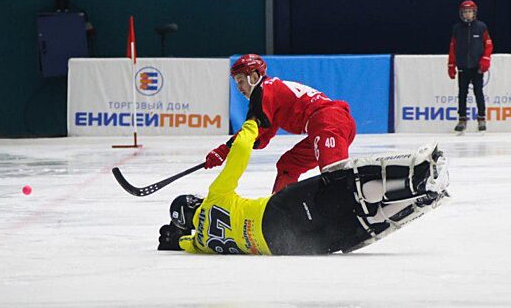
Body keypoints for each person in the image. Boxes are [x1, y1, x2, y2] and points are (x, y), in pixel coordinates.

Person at [157, 119, 450, 255]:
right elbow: (239, 157)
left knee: (358, 220)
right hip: (277, 214)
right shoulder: (213, 199)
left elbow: (180, 243)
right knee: (344, 186)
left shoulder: (200, 244)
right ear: (193, 203)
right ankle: (418, 177)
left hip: (286, 246)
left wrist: (176, 238)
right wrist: (250, 127)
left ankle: (423, 197)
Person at [204, 54, 356, 194]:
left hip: (327, 122)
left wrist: (223, 151)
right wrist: (236, 148)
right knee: (288, 165)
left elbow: (250, 131)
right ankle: (281, 210)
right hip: (327, 123)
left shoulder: (263, 91)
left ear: (254, 76)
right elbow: (260, 136)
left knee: (335, 175)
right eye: (237, 83)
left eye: (241, 81)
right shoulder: (271, 93)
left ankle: (353, 214)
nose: (239, 88)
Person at [448, 0, 493, 133]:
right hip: (463, 66)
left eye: (470, 11)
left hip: (477, 66)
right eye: (465, 12)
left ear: (474, 13)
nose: (468, 14)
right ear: (461, 13)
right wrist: (451, 64)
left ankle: (481, 118)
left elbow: (489, 45)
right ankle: (462, 119)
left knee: (478, 92)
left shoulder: (481, 27)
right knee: (462, 93)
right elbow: (452, 47)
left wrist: (485, 60)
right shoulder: (457, 29)